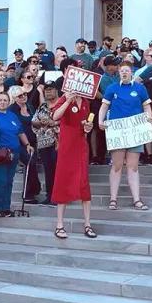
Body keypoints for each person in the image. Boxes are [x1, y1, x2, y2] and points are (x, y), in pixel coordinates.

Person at [98, 62, 152, 210]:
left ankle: (136, 199)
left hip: (135, 130)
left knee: (133, 166)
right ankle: (113, 199)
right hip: (117, 131)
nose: (124, 73)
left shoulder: (140, 88)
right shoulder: (112, 88)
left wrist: (149, 117)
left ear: (132, 73)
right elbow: (104, 106)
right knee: (116, 166)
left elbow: (146, 106)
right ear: (118, 72)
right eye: (122, 70)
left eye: (127, 71)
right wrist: (100, 121)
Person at [51, 89, 96, 239]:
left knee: (84, 182)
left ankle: (87, 224)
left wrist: (87, 128)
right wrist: (67, 101)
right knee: (63, 181)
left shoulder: (85, 102)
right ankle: (59, 224)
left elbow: (85, 123)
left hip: (81, 143)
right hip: (67, 144)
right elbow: (55, 116)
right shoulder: (64, 98)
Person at [0, 92, 35, 218]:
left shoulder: (12, 116)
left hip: (14, 153)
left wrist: (27, 144)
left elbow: (20, 132)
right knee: (1, 180)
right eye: (0, 100)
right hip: (0, 153)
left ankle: (6, 208)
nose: (3, 102)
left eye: (5, 100)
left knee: (9, 181)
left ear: (8, 102)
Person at [32, 78, 60, 206]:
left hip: (58, 142)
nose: (48, 93)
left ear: (56, 90)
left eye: (51, 90)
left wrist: (54, 123)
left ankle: (59, 195)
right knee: (48, 170)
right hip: (43, 142)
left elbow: (68, 121)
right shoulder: (42, 106)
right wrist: (38, 123)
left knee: (57, 169)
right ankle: (49, 195)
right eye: (46, 91)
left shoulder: (61, 104)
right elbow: (34, 121)